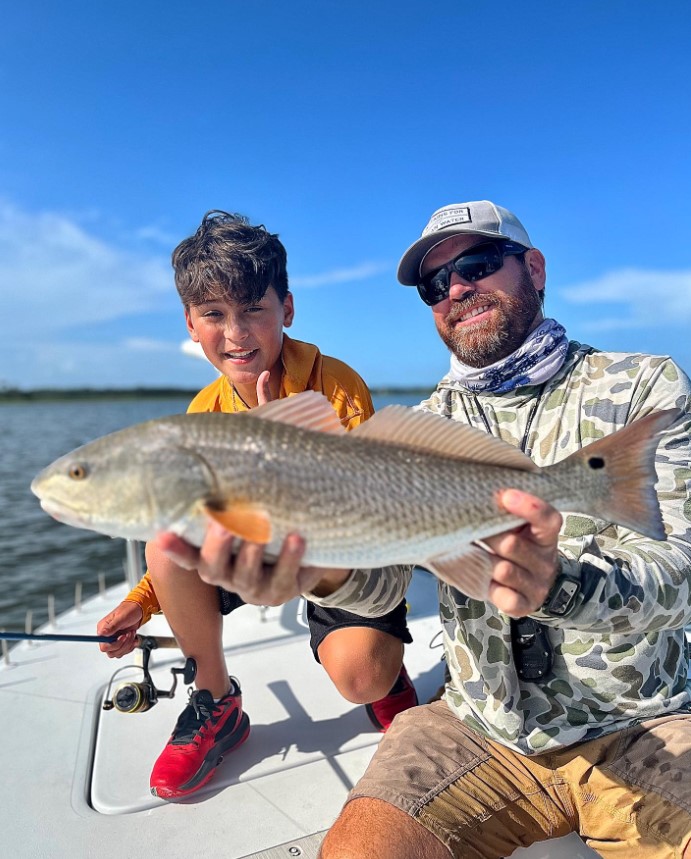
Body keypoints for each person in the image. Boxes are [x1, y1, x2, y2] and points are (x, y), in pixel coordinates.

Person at [167, 201, 691, 858]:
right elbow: (385, 586)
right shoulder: (429, 418)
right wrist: (320, 567)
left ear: (533, 267)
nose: (456, 290)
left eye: (476, 265)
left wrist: (560, 585)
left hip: (641, 722)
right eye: (434, 284)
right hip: (477, 724)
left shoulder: (644, 386)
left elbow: (683, 574)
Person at [96, 211, 417, 800]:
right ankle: (216, 699)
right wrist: (140, 605)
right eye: (215, 314)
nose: (236, 332)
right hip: (253, 548)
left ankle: (388, 664)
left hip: (332, 554)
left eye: (253, 309)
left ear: (286, 310)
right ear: (192, 324)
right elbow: (193, 520)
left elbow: (367, 503)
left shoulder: (337, 385)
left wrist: (276, 449)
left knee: (363, 680)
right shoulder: (204, 411)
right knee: (166, 545)